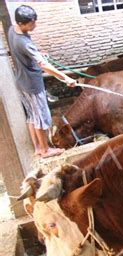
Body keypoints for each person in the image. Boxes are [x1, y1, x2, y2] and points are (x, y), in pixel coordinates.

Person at [8, 5, 77, 158]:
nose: (35, 26)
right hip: (32, 85)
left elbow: (28, 54)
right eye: (32, 23)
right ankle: (45, 150)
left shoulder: (12, 30)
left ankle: (38, 147)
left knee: (32, 116)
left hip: (21, 82)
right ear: (21, 23)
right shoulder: (24, 42)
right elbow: (44, 65)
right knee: (42, 117)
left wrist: (37, 54)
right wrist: (65, 78)